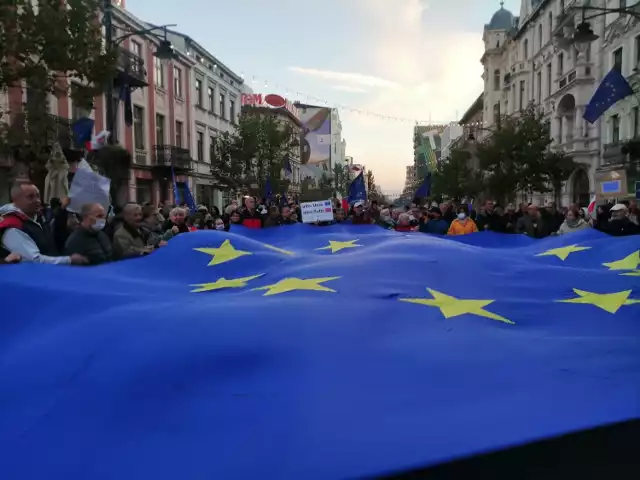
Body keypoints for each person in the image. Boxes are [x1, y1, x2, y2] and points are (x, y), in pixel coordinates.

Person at [0, 183, 87, 265]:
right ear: (15, 200)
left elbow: (52, 242)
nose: (37, 200)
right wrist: (69, 260)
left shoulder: (38, 217)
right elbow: (34, 260)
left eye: (38, 196)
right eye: (30, 197)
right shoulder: (13, 227)